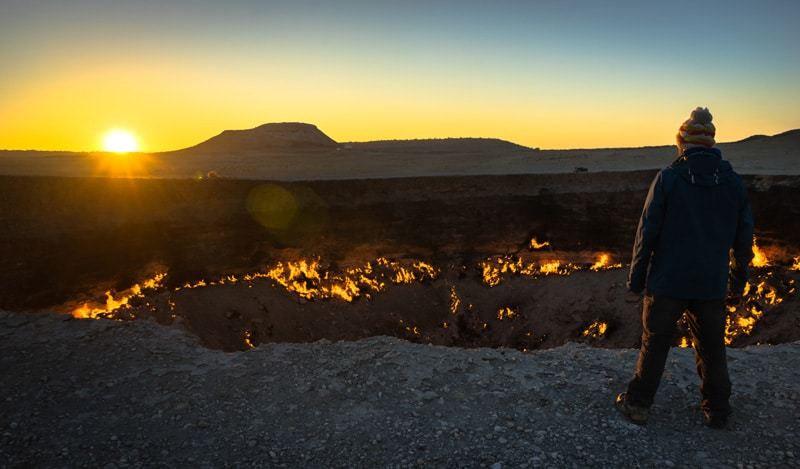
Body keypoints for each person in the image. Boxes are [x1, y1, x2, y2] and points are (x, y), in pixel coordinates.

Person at [615, 107, 754, 429]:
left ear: (682, 142)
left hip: (668, 282)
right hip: (710, 283)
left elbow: (646, 231)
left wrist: (636, 280)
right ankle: (717, 410)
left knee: (655, 344)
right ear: (711, 144)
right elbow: (744, 237)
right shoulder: (732, 183)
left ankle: (637, 405)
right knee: (712, 348)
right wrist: (738, 280)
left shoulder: (669, 178)